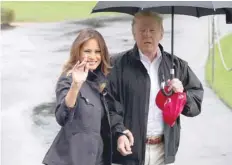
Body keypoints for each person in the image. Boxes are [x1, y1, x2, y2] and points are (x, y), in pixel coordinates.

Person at [107, 11, 204, 165]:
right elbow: (109, 106)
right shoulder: (117, 65)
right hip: (128, 151)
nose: (147, 35)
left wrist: (182, 96)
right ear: (134, 34)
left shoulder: (177, 66)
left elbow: (196, 101)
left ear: (161, 33)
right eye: (142, 31)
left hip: (162, 151)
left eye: (152, 30)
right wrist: (119, 132)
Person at [42, 28, 126, 165]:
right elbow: (62, 117)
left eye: (98, 51)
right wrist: (76, 85)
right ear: (78, 52)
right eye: (87, 51)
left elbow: (112, 113)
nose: (93, 56)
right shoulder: (68, 79)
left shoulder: (101, 81)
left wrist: (121, 132)